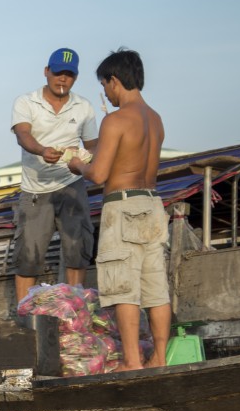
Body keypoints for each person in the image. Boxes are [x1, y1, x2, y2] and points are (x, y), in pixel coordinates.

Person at [69, 49, 169, 371]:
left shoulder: (116, 120)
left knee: (123, 285)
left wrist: (76, 165)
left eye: (104, 85)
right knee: (155, 288)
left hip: (122, 205)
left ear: (114, 80)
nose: (106, 93)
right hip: (152, 203)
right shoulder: (155, 119)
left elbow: (98, 174)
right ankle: (159, 358)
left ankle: (131, 361)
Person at [11, 48, 99, 304]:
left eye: (69, 75)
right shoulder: (26, 102)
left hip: (72, 184)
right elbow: (23, 134)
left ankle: (76, 312)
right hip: (35, 190)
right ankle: (24, 312)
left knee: (78, 248)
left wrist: (82, 158)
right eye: (58, 72)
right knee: (29, 254)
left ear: (75, 78)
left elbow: (94, 145)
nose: (63, 79)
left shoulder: (84, 107)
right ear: (46, 72)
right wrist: (41, 150)